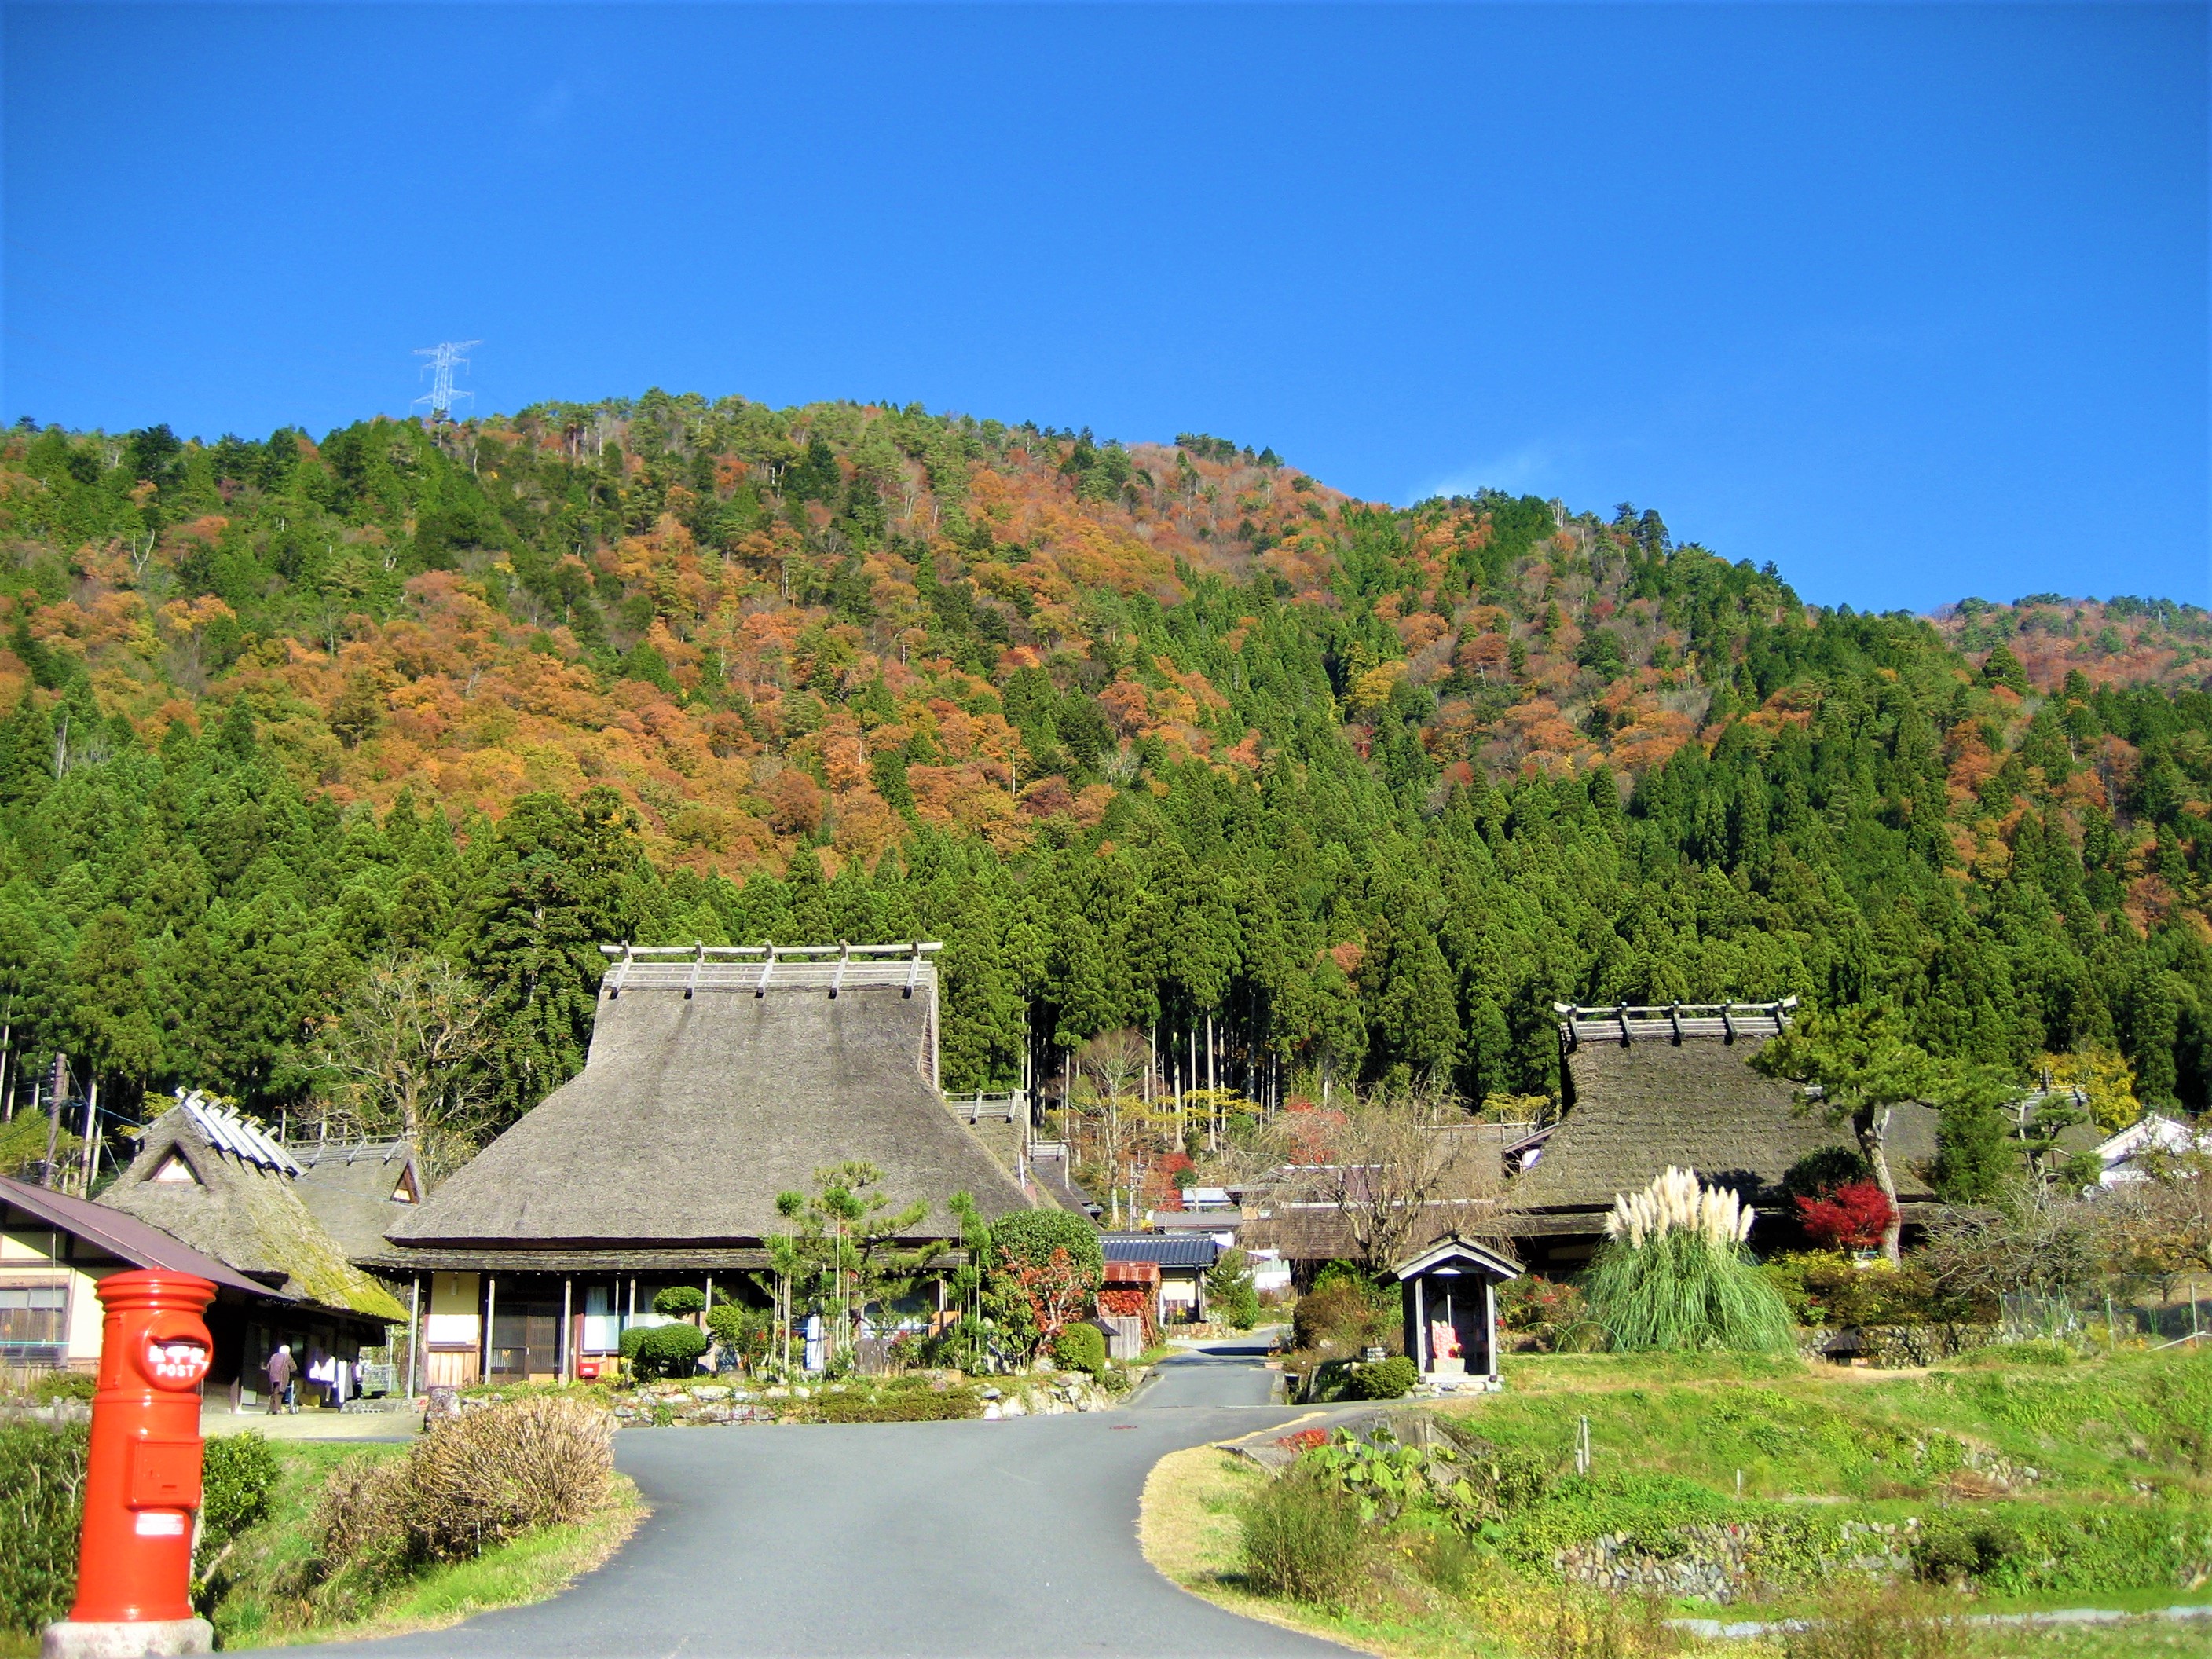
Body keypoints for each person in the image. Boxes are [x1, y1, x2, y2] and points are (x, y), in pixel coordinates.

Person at [265, 1342, 297, 1414]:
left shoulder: (274, 1356)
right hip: (282, 1377)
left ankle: (271, 1409)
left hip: (273, 1377)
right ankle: (277, 1409)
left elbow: (268, 1367)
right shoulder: (288, 1357)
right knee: (279, 1393)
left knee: (274, 1392)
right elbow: (294, 1368)